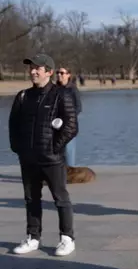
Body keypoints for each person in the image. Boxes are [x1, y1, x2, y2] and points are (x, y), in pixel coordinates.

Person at [8, 54, 78, 256]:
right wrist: (18, 148)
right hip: (28, 159)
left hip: (51, 159)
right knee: (31, 199)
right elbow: (13, 125)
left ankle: (67, 238)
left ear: (49, 71)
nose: (33, 71)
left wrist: (54, 148)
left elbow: (71, 126)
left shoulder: (61, 95)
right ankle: (33, 237)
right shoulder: (23, 96)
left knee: (60, 198)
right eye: (31, 68)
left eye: (37, 68)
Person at [55, 65, 82, 167]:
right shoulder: (54, 89)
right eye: (57, 72)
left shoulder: (73, 89)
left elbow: (78, 107)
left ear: (68, 75)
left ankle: (70, 173)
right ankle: (57, 173)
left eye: (62, 73)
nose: (59, 75)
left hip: (69, 125)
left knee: (68, 149)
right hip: (55, 125)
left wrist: (68, 119)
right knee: (56, 150)